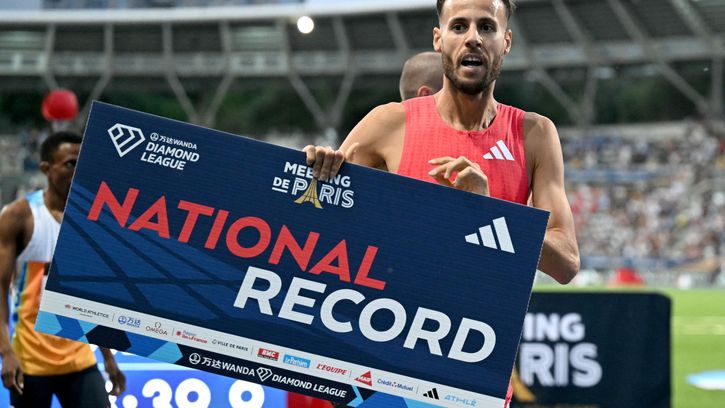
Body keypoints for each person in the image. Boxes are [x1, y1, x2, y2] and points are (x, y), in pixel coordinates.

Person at [304, 0, 579, 285]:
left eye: (487, 27)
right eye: (459, 27)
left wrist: (488, 212)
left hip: (481, 311)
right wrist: (314, 172)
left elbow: (566, 262)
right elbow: (321, 231)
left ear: (506, 42)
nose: (473, 38)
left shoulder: (535, 133)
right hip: (397, 308)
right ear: (438, 39)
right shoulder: (388, 123)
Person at [0, 131, 125, 407]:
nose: (78, 171)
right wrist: (6, 351)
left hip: (79, 360)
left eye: (83, 164)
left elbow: (92, 296)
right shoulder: (19, 216)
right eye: (70, 164)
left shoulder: (91, 219)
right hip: (29, 362)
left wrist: (108, 357)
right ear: (46, 168)